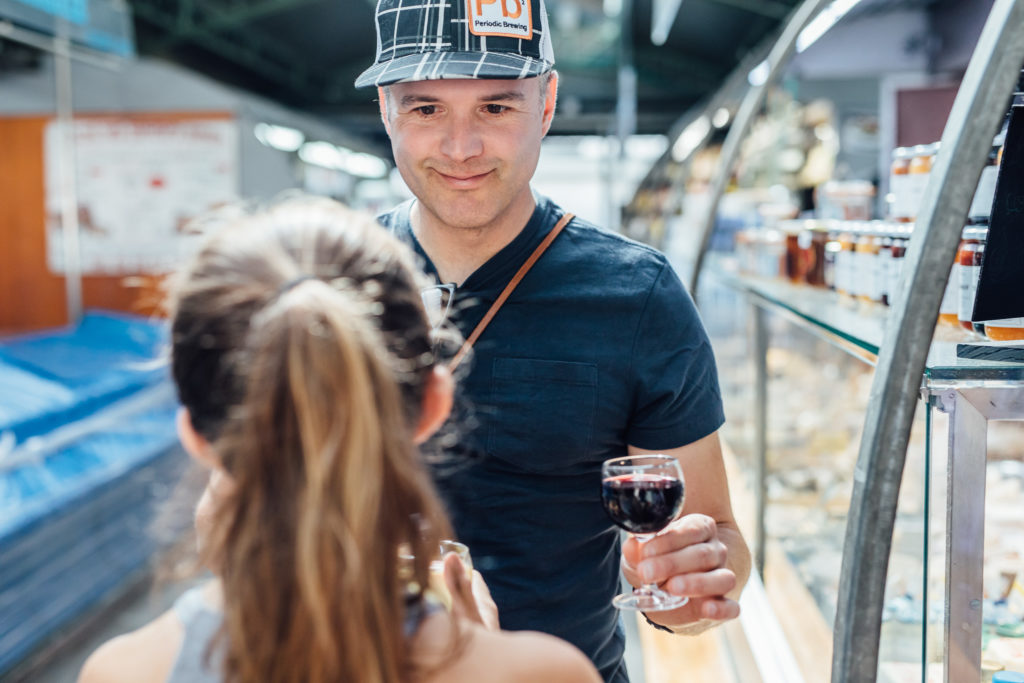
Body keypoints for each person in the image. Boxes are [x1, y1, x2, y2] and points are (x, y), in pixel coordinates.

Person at [355, 1, 752, 681]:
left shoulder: (636, 294)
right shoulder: (333, 279)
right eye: (426, 110)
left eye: (496, 108)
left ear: (546, 103)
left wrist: (689, 584)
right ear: (388, 108)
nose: (460, 146)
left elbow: (716, 533)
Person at [77, 197, 601, 683]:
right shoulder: (545, 673)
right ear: (433, 406)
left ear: (196, 435)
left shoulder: (123, 670)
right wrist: (480, 651)